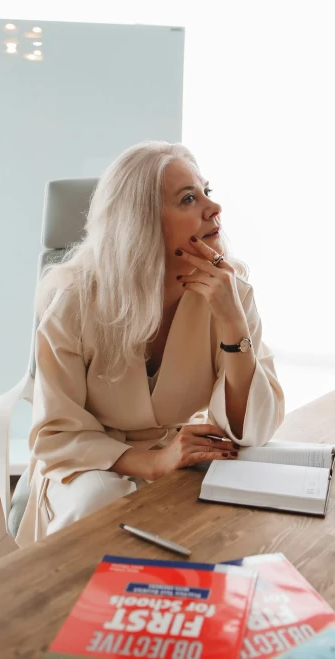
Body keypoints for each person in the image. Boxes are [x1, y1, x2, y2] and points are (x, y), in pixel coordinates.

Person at [15, 141, 284, 547]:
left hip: (179, 454)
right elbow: (56, 433)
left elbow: (252, 427)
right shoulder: (74, 302)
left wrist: (232, 321)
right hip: (89, 463)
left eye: (206, 192)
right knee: (99, 502)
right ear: (141, 222)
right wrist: (153, 463)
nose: (214, 209)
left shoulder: (229, 290)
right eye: (189, 199)